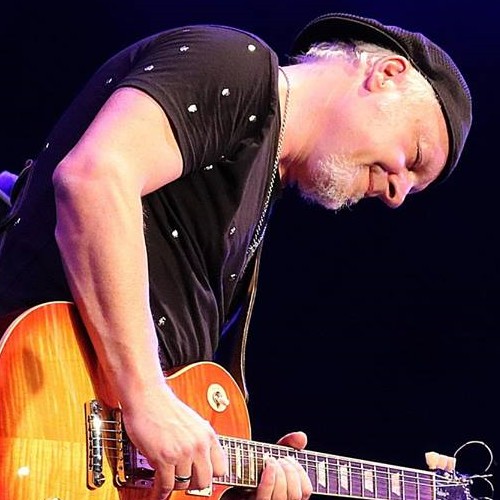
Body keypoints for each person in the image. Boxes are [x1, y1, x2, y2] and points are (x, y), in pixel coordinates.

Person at [0, 11, 471, 500]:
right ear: (387, 74)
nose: (398, 193)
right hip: (30, 398)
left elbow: (164, 421)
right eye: (415, 156)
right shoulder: (238, 65)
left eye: (414, 188)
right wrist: (145, 394)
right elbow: (94, 178)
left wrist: (227, 479)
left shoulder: (255, 188)